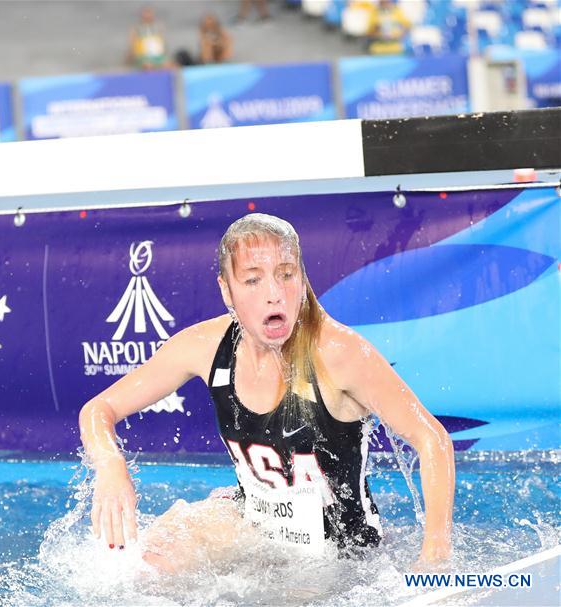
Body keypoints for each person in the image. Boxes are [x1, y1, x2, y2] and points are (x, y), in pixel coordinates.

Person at [79, 213, 455, 572]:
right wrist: (112, 469)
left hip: (340, 555)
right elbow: (98, 410)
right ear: (227, 290)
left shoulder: (338, 353)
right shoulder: (205, 346)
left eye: (286, 275)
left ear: (302, 278)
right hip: (255, 526)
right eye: (253, 280)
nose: (274, 294)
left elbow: (432, 439)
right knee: (140, 566)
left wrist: (434, 556)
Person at [128, 6, 169, 70]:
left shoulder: (158, 27)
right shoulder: (136, 29)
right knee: (148, 65)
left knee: (167, 64)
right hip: (143, 56)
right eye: (145, 14)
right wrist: (134, 56)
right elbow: (132, 45)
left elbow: (163, 44)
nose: (147, 16)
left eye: (149, 13)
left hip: (157, 55)